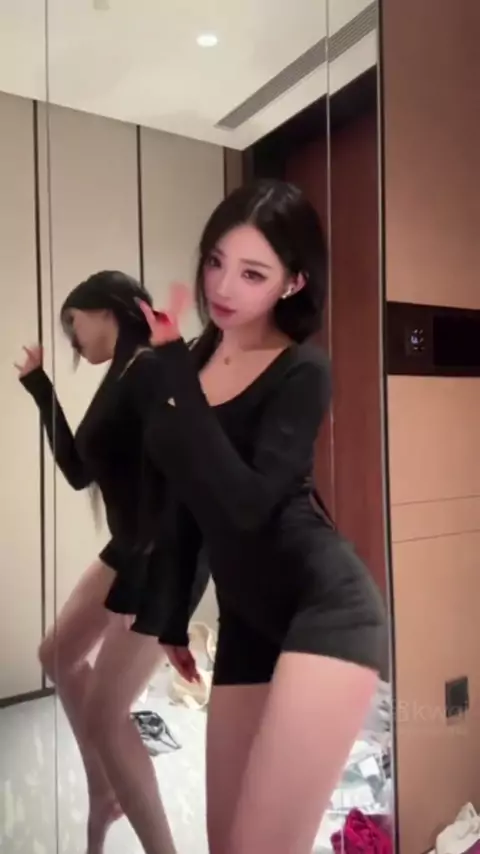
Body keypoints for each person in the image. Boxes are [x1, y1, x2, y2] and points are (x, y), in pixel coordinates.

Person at [136, 179, 387, 854]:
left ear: (293, 282)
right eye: (216, 261)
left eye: (253, 273)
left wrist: (173, 371)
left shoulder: (302, 369)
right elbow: (187, 495)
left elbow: (247, 503)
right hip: (247, 617)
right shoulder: (196, 356)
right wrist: (172, 617)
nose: (222, 286)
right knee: (226, 843)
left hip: (327, 608)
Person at [16, 271, 207, 854]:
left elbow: (185, 474)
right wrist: (40, 387)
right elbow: (80, 472)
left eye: (72, 324)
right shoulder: (121, 375)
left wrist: (149, 581)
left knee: (106, 713)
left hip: (160, 557)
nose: (73, 340)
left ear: (105, 309)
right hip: (129, 548)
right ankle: (104, 789)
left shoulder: (149, 370)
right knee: (57, 655)